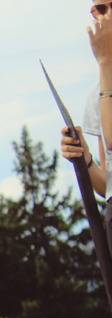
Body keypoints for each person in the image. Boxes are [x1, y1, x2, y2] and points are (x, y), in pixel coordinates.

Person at [62, 3, 112, 203]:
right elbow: (107, 187)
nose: (107, 16)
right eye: (100, 9)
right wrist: (86, 159)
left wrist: (105, 62)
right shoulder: (97, 92)